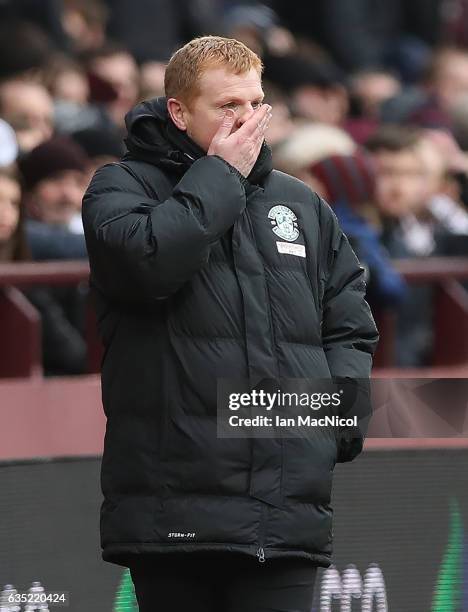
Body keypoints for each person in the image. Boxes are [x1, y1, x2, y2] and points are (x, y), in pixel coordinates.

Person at [82, 36, 378, 612]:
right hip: (173, 508)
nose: (247, 120)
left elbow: (349, 322)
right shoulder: (120, 188)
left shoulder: (300, 204)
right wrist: (221, 175)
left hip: (284, 508)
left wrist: (334, 422)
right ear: (178, 112)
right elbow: (148, 265)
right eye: (227, 107)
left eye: (255, 104)